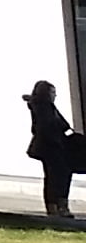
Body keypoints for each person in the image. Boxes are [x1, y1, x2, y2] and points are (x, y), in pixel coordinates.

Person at [30, 81, 72, 220]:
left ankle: (55, 206)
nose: (55, 95)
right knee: (57, 177)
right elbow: (47, 127)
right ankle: (58, 205)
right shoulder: (44, 108)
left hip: (51, 147)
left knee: (54, 177)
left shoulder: (43, 107)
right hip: (51, 148)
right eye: (52, 92)